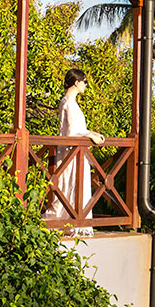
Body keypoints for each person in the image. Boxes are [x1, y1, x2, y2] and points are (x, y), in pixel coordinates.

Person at [43, 68, 105, 226]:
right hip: (71, 152)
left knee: (76, 185)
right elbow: (71, 132)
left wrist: (92, 133)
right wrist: (89, 136)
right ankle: (68, 222)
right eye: (84, 82)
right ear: (77, 83)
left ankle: (75, 221)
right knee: (70, 184)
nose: (86, 85)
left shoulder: (72, 103)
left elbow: (77, 128)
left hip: (76, 151)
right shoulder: (67, 102)